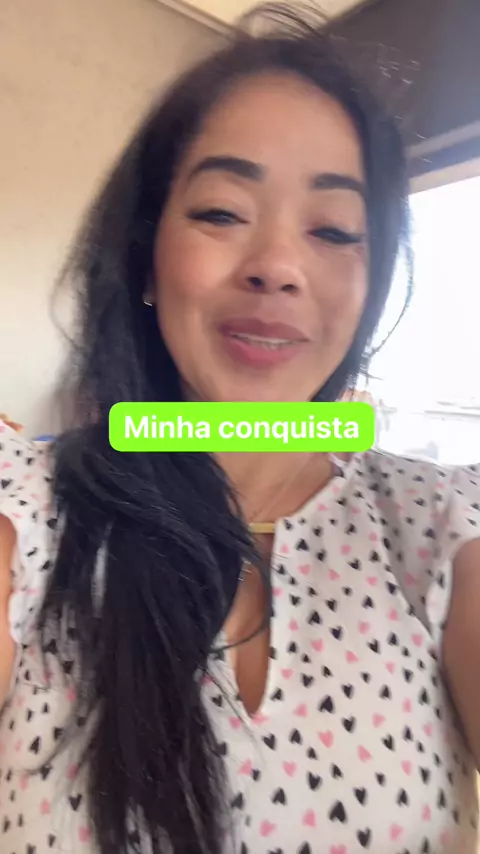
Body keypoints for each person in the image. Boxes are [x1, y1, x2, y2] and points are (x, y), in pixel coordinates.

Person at [0, 5, 479, 853]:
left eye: (334, 229)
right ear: (146, 258)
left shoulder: (438, 524)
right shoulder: (30, 506)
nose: (279, 267)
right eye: (222, 212)